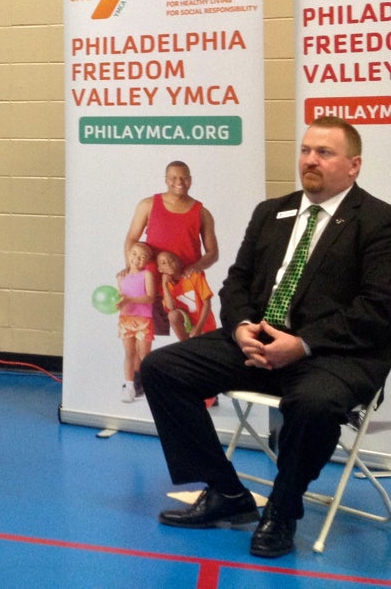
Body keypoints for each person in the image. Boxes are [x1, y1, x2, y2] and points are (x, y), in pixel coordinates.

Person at [138, 116, 391, 559]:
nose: (310, 160)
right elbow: (236, 282)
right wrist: (239, 328)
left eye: (324, 153)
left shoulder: (378, 221)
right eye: (306, 150)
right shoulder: (271, 211)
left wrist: (302, 343)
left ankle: (283, 509)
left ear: (354, 166)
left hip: (334, 354)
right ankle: (226, 493)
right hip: (257, 339)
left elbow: (377, 308)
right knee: (161, 368)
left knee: (313, 404)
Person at [124, 161, 219, 335]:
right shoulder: (148, 205)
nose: (179, 182)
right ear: (166, 180)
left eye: (184, 178)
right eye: (174, 177)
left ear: (190, 180)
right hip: (152, 284)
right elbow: (131, 239)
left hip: (188, 287)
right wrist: (132, 269)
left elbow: (213, 253)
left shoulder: (202, 212)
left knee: (196, 337)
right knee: (149, 340)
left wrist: (196, 267)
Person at [117, 242, 156, 403]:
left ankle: (150, 384)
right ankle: (130, 386)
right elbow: (120, 298)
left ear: (147, 261)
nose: (136, 259)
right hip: (126, 320)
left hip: (144, 320)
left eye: (142, 257)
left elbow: (150, 297)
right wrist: (120, 303)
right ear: (128, 254)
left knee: (144, 354)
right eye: (134, 254)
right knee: (129, 354)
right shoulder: (121, 276)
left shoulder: (147, 275)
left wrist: (130, 299)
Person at [156, 250, 218, 341]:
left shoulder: (194, 276)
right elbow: (171, 308)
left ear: (179, 262)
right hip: (188, 325)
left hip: (204, 324)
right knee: (172, 315)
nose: (168, 264)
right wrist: (165, 285)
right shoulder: (165, 286)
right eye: (163, 263)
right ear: (160, 269)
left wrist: (199, 328)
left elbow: (207, 303)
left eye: (172, 260)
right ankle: (185, 345)